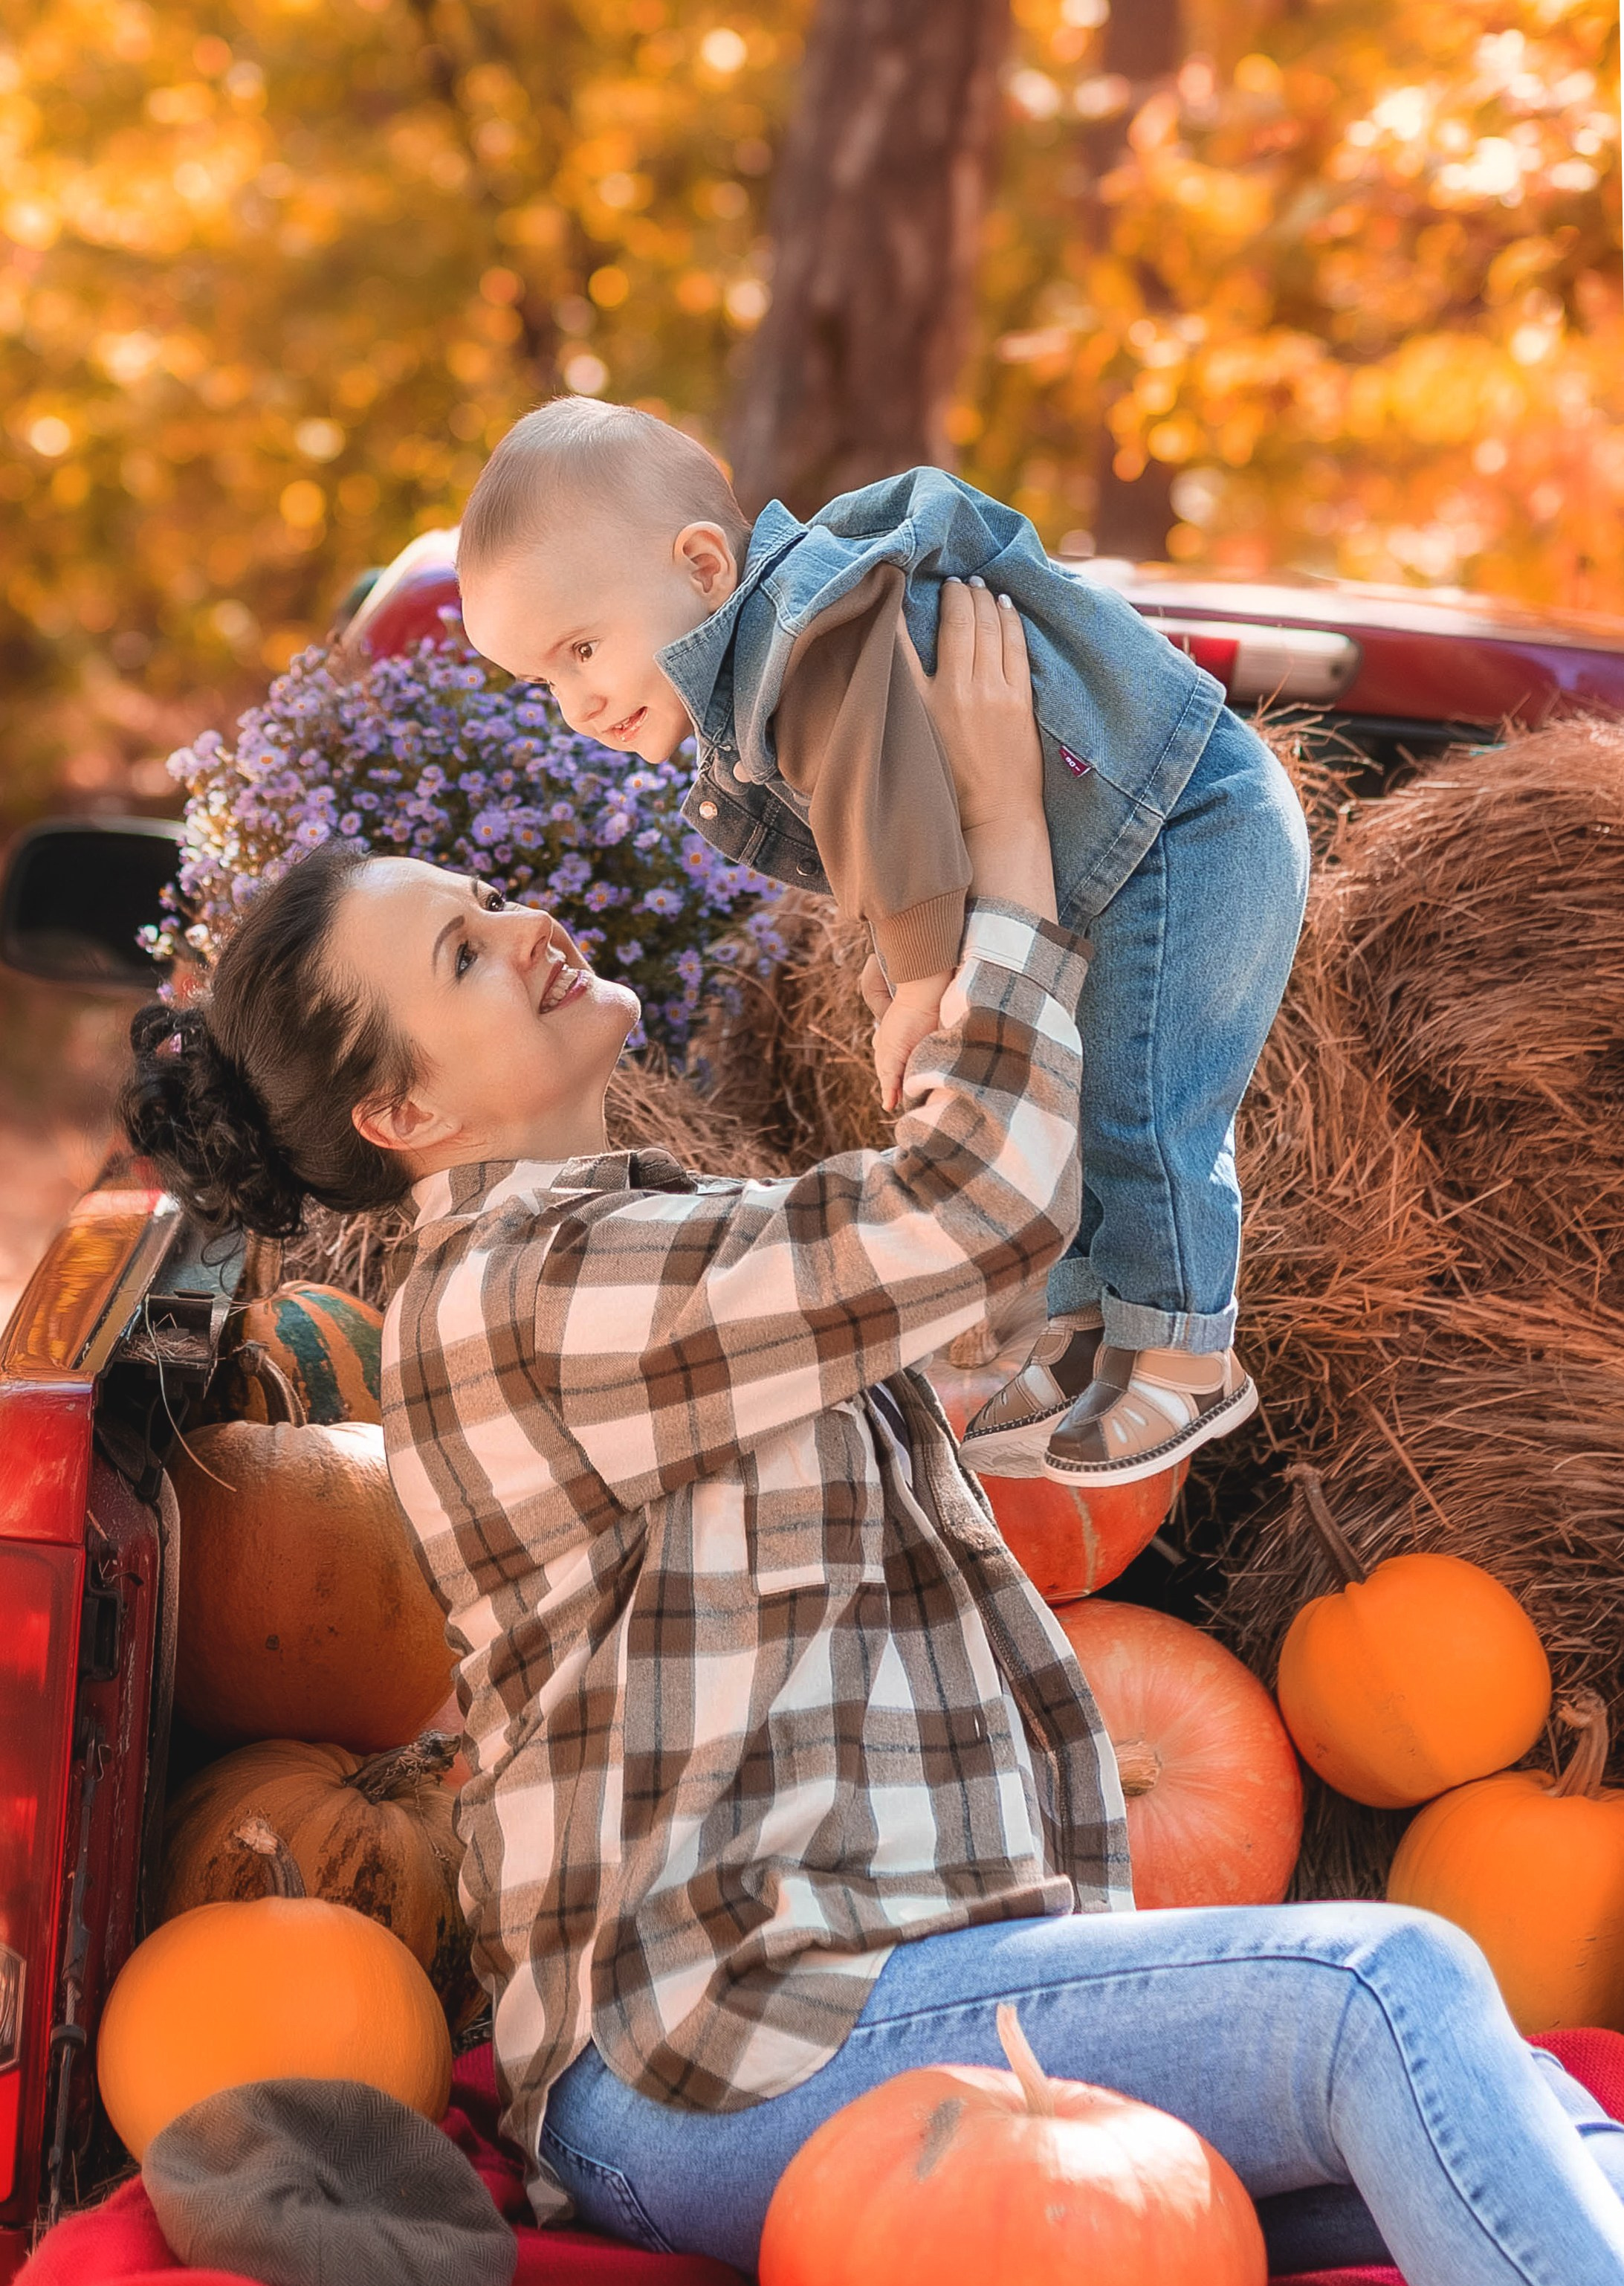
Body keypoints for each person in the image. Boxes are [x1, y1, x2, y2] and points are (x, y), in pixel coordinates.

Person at [123, 587, 1624, 2286]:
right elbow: (971, 1209)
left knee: (1514, 2108)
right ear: (404, 1114)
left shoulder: (636, 1245)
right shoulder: (528, 1285)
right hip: (736, 2051)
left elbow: (965, 1274)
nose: (516, 922)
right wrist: (996, 846)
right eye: (453, 952)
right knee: (1390, 1982)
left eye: (484, 894)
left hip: (867, 2004)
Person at [451, 396, 1311, 1495]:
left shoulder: (807, 641)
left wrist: (916, 978)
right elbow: (896, 825)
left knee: (1138, 1105)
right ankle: (1089, 1329)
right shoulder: (781, 662)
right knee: (1082, 1094)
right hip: (1127, 849)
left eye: (582, 647)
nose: (575, 700)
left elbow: (886, 781)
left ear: (706, 567)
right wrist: (914, 946)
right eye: (545, 680)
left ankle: (1182, 1347)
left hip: (1187, 824)